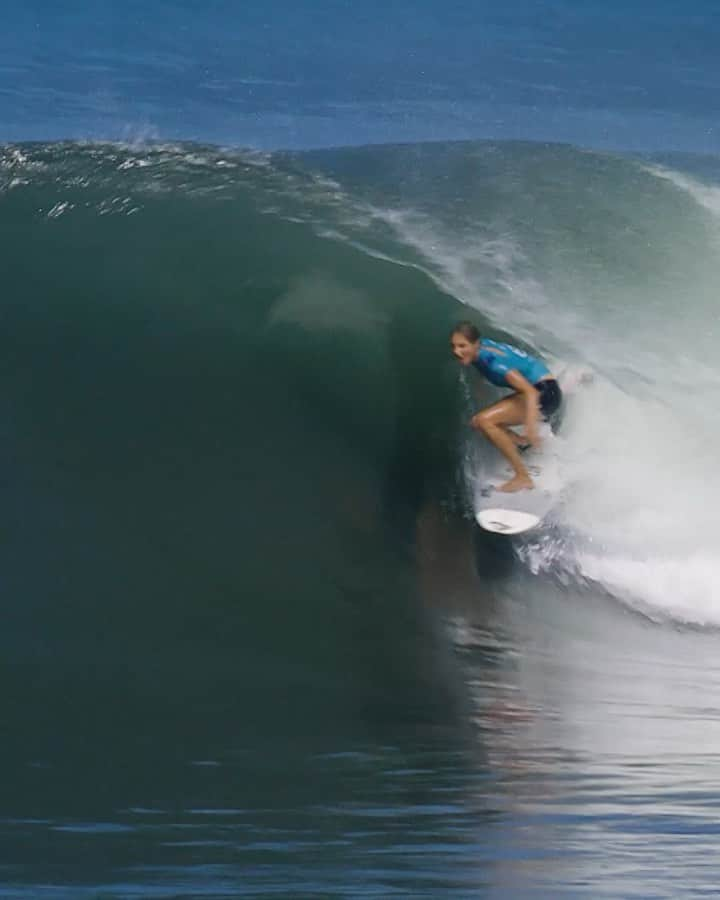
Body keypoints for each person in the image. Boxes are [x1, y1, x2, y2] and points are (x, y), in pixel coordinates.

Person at [450, 321, 562, 493]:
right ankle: (520, 446)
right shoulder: (482, 349)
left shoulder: (495, 365)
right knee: (478, 422)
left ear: (476, 344)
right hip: (543, 388)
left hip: (545, 394)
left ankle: (523, 477)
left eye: (462, 346)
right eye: (454, 346)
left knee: (484, 420)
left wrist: (530, 426)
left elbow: (531, 393)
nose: (456, 351)